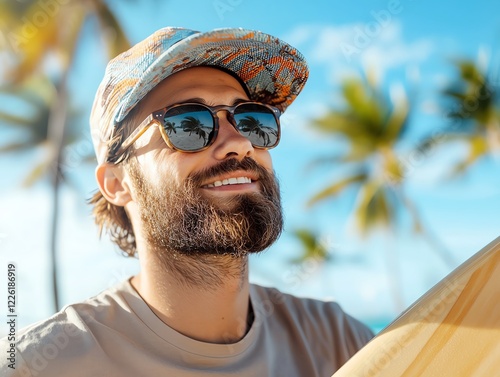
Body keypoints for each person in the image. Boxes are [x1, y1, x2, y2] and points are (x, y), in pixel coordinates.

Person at [1, 27, 373, 377]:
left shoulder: (341, 346)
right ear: (116, 183)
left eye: (252, 119)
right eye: (187, 123)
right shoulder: (39, 364)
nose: (240, 142)